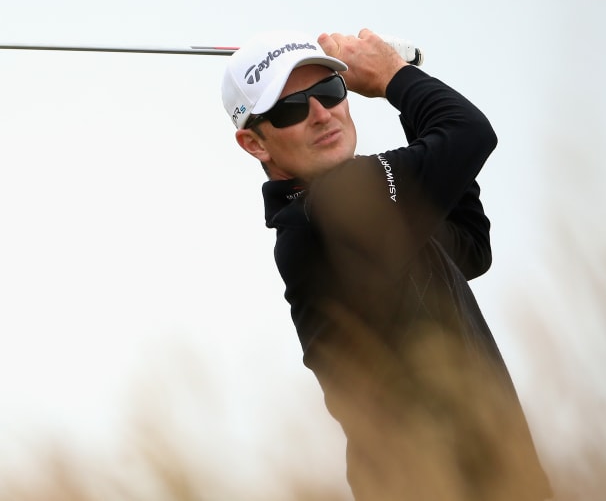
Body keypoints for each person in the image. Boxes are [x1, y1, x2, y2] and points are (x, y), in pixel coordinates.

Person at [220, 29, 553, 501]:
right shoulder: (336, 205)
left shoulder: (344, 215)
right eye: (291, 108)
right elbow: (468, 133)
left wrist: (408, 98)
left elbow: (470, 247)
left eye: (330, 91)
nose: (321, 114)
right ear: (255, 144)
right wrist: (395, 76)